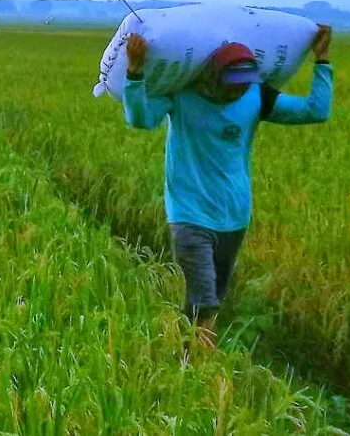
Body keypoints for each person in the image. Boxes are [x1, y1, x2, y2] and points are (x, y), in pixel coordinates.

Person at [123, 25, 333, 350]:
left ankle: (187, 364)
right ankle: (207, 375)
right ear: (212, 75)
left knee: (213, 299)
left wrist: (322, 59)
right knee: (204, 301)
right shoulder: (182, 94)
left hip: (234, 215)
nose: (235, 92)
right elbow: (141, 119)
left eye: (242, 86)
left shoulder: (255, 97)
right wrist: (135, 73)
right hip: (189, 214)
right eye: (230, 85)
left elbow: (315, 111)